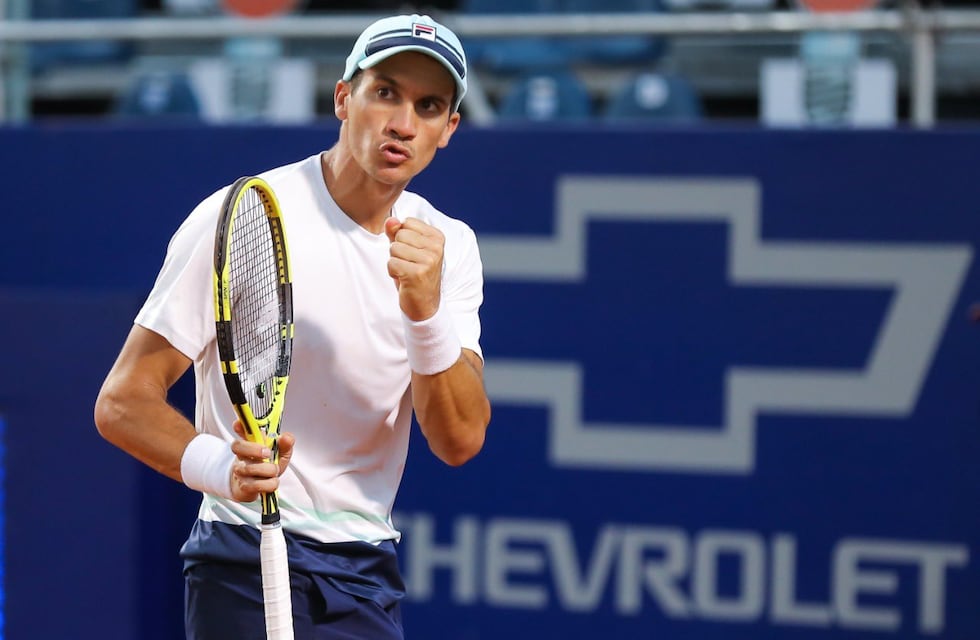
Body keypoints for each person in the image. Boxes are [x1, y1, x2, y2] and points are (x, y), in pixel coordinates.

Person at [94, 13, 490, 639]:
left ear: (448, 130)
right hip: (242, 555)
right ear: (343, 98)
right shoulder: (242, 214)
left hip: (366, 568)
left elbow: (459, 440)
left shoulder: (451, 248)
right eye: (384, 91)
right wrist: (220, 467)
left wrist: (425, 311)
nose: (402, 123)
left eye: (429, 105)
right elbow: (122, 402)